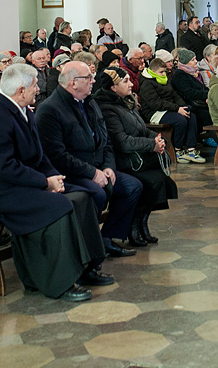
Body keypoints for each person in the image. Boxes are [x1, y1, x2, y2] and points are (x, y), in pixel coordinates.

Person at [0, 64, 110, 302]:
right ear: (21, 90)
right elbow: (4, 167)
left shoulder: (23, 110)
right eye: (35, 85)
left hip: (22, 183)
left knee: (82, 196)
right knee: (60, 206)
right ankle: (60, 281)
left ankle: (87, 268)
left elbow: (40, 156)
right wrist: (44, 183)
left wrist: (56, 178)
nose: (39, 89)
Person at [35, 61, 143, 258]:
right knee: (97, 194)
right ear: (73, 82)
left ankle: (106, 239)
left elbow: (106, 140)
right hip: (72, 173)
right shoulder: (50, 109)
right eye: (89, 78)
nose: (94, 81)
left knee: (132, 186)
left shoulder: (90, 103)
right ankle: (85, 248)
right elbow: (56, 155)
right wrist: (92, 173)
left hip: (99, 166)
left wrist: (108, 167)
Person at [95, 67, 178, 246]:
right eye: (125, 81)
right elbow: (121, 142)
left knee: (161, 179)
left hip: (138, 157)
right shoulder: (108, 108)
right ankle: (132, 226)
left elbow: (141, 128)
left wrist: (156, 139)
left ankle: (142, 223)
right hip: (123, 161)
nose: (131, 84)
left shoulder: (126, 102)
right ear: (113, 87)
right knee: (150, 181)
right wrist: (151, 145)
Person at [138, 58, 205, 164]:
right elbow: (155, 103)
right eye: (161, 72)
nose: (164, 74)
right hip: (154, 113)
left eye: (165, 71)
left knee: (191, 115)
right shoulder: (146, 84)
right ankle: (178, 150)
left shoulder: (164, 80)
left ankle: (191, 149)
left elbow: (174, 95)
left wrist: (183, 107)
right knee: (180, 120)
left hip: (169, 109)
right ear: (152, 71)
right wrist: (177, 109)